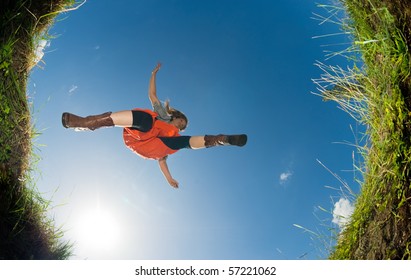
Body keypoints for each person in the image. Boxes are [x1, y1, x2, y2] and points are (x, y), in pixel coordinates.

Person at [62, 63, 247, 188]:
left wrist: (169, 179)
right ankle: (89, 122)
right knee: (147, 118)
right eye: (180, 122)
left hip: (152, 146)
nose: (179, 126)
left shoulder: (173, 135)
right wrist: (153, 73)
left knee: (181, 142)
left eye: (181, 126)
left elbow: (162, 161)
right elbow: (152, 94)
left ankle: (220, 140)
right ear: (176, 116)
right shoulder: (163, 114)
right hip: (139, 134)